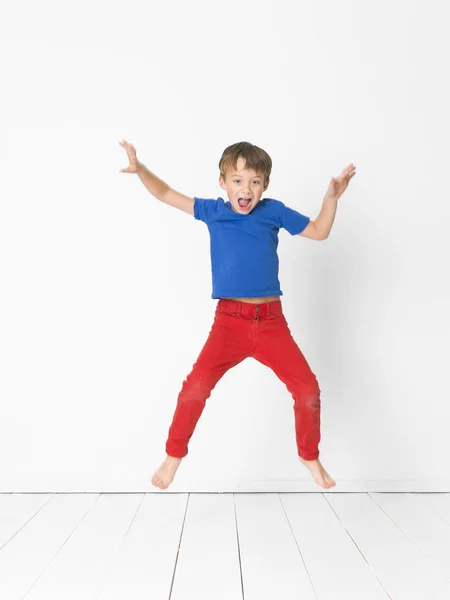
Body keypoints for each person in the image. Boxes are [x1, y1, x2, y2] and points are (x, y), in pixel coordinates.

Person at [119, 139, 356, 490]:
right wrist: (141, 171)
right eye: (238, 180)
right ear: (222, 182)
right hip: (228, 323)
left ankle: (309, 456)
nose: (246, 189)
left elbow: (319, 232)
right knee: (195, 389)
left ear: (265, 186)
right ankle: (173, 456)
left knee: (307, 390)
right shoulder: (214, 211)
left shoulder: (273, 211)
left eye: (255, 181)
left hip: (271, 322)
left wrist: (331, 198)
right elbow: (166, 193)